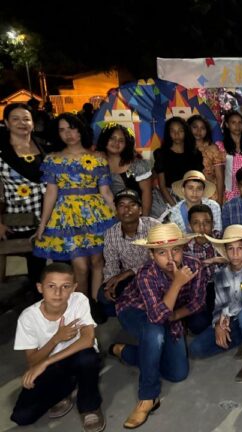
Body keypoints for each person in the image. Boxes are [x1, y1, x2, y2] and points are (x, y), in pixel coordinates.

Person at [112, 223, 202, 429]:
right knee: (154, 334)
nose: (170, 258)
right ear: (152, 255)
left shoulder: (195, 265)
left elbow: (197, 302)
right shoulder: (146, 273)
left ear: (183, 249)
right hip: (135, 310)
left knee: (178, 373)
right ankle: (148, 397)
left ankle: (125, 351)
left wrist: (175, 316)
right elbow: (157, 317)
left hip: (169, 315)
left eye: (175, 250)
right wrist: (177, 283)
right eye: (162, 253)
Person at [10, 263, 105, 431]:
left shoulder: (79, 301)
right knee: (22, 417)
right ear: (40, 288)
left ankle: (89, 406)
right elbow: (33, 361)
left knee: (88, 357)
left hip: (77, 358)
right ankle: (67, 386)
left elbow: (87, 339)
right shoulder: (28, 317)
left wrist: (45, 363)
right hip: (53, 366)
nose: (58, 293)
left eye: (65, 286)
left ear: (74, 288)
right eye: (51, 286)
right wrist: (56, 339)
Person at [34, 113, 116, 302]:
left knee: (98, 261)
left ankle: (95, 302)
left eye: (72, 128)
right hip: (67, 217)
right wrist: (42, 225)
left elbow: (105, 192)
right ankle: (82, 307)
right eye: (62, 130)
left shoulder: (97, 158)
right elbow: (51, 193)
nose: (68, 134)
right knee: (80, 266)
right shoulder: (53, 160)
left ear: (81, 130)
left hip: (97, 215)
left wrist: (118, 215)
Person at [189, 225, 242, 382]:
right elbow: (219, 305)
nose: (235, 254)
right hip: (232, 322)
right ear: (225, 251)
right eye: (230, 249)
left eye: (240, 248)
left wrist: (227, 313)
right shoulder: (220, 275)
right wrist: (218, 325)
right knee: (196, 348)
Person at [0, 103, 50, 292]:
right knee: (34, 267)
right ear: (6, 123)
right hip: (18, 218)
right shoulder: (2, 152)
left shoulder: (44, 147)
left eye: (26, 119)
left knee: (53, 264)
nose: (22, 123)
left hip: (48, 215)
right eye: (15, 119)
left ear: (32, 123)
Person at [98, 189, 160, 319]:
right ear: (116, 211)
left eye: (132, 205)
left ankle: (141, 306)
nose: (127, 209)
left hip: (154, 276)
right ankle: (137, 304)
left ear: (140, 210)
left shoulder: (154, 226)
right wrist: (110, 283)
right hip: (128, 279)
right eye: (122, 205)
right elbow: (111, 263)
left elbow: (160, 260)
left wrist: (130, 271)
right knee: (104, 299)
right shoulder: (110, 233)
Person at [96, 123, 165, 219]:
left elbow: (146, 192)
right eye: (112, 138)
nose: (116, 143)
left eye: (121, 140)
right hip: (113, 213)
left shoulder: (137, 164)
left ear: (126, 144)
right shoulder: (97, 163)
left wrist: (144, 220)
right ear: (105, 139)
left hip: (143, 211)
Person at [153, 117, 203, 206]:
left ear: (186, 132)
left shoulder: (195, 154)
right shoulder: (161, 154)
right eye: (173, 131)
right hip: (168, 197)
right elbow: (162, 185)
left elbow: (198, 180)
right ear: (168, 133)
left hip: (192, 194)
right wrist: (175, 207)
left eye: (180, 131)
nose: (177, 134)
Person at [188, 115, 225, 204]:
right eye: (195, 127)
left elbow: (220, 176)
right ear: (188, 128)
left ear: (207, 131)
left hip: (211, 193)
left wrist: (219, 200)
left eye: (202, 128)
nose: (198, 131)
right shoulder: (184, 148)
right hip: (188, 192)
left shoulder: (212, 148)